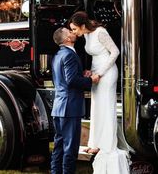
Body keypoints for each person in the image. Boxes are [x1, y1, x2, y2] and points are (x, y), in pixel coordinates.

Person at [69, 11, 130, 174]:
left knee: (106, 106)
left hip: (108, 73)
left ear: (82, 26)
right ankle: (96, 143)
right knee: (96, 106)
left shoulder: (100, 32)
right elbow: (96, 56)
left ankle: (108, 144)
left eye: (74, 29)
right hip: (96, 73)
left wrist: (100, 73)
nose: (74, 33)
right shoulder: (87, 35)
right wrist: (91, 72)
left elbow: (115, 52)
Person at [50, 27, 100, 174]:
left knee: (59, 146)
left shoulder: (58, 55)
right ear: (67, 39)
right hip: (70, 108)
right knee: (70, 149)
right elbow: (71, 81)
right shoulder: (70, 55)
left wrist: (82, 75)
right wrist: (90, 80)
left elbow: (63, 80)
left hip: (59, 106)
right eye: (69, 32)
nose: (73, 33)